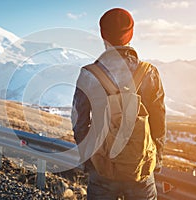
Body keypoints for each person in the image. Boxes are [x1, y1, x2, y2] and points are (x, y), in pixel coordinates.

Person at [71, 8, 166, 200]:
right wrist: (155, 159)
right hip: (141, 167)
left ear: (102, 34)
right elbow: (159, 122)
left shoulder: (89, 74)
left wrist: (89, 161)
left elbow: (79, 123)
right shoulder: (149, 72)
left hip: (102, 166)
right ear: (131, 34)